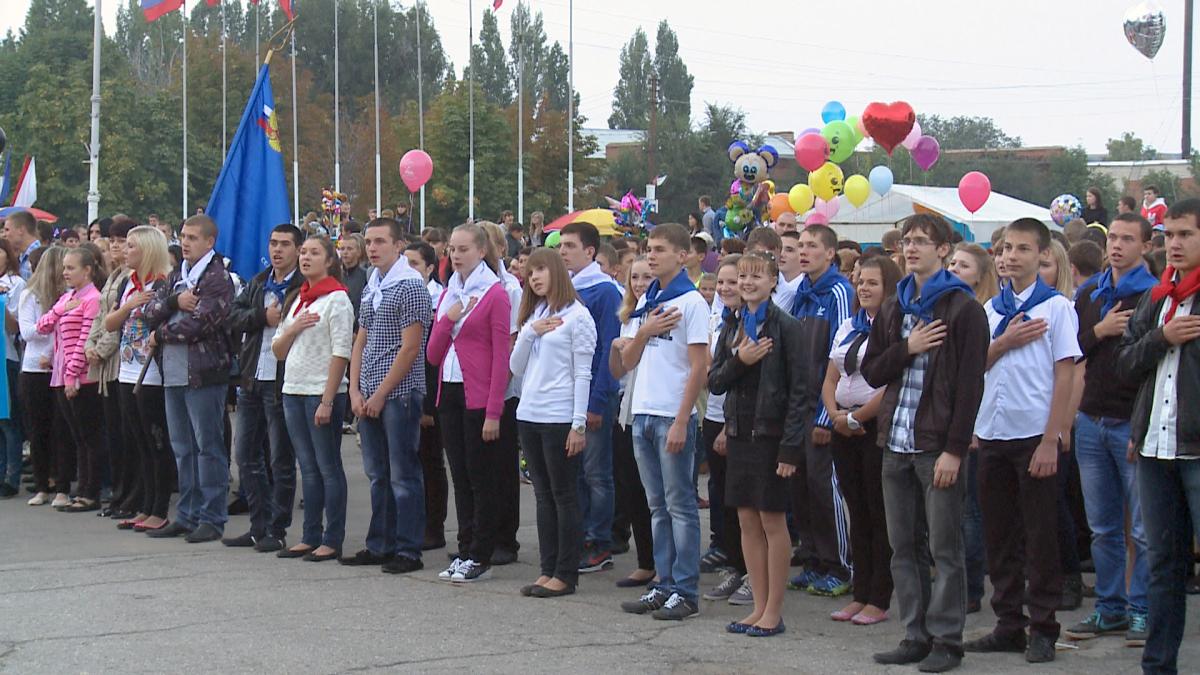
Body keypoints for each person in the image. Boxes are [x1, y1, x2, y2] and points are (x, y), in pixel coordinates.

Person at [862, 213, 990, 672]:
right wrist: (908, 348)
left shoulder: (963, 308)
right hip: (895, 440)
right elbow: (873, 370)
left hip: (937, 445)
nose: (911, 248)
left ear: (943, 251)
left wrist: (955, 449)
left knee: (944, 549)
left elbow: (970, 385)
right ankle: (914, 634)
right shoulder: (896, 305)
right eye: (906, 242)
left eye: (922, 241)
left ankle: (947, 641)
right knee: (903, 546)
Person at [965, 217, 1081, 664]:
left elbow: (1065, 372)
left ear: (1042, 256)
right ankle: (1008, 622)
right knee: (1000, 535)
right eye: (1006, 248)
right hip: (993, 433)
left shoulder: (1055, 308)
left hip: (1034, 434)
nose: (1011, 256)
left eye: (1022, 249)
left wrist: (1053, 438)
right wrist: (1005, 341)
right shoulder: (991, 310)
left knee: (1039, 535)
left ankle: (1044, 626)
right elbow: (975, 366)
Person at [1064, 212, 1156, 646]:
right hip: (1091, 417)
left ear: (1144, 244)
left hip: (1131, 421)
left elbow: (1155, 367)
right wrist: (1099, 330)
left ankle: (1142, 609)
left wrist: (1144, 426)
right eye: (1112, 238)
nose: (1116, 246)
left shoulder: (1154, 296)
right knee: (1102, 527)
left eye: (1126, 239)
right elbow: (1070, 351)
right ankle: (1110, 607)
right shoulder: (1090, 294)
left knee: (1140, 527)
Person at [1116, 198, 1200, 675]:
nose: (1174, 244)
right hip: (1155, 447)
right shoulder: (1158, 297)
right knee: (1164, 567)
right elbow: (1125, 363)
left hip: (1195, 446)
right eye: (1169, 235)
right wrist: (1163, 338)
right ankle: (1158, 666)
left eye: (1185, 234)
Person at [708, 251, 809, 637]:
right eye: (741, 277)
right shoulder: (732, 323)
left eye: (756, 277)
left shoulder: (787, 326)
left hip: (771, 436)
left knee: (772, 519)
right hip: (739, 433)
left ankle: (774, 610)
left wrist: (789, 448)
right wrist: (741, 358)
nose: (746, 283)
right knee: (746, 519)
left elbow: (800, 393)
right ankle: (757, 606)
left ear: (772, 282)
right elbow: (716, 380)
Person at [612, 222, 708, 621]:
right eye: (649, 249)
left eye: (661, 250)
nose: (651, 256)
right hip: (643, 412)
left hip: (672, 413)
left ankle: (685, 590)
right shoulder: (649, 303)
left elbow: (700, 365)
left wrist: (683, 420)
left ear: (682, 256)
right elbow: (626, 364)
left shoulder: (691, 303)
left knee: (680, 505)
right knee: (657, 506)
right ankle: (663, 582)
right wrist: (644, 331)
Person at [342, 219, 432, 573]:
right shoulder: (372, 283)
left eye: (380, 241)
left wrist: (380, 393)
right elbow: (360, 339)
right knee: (377, 473)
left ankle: (408, 548)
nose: (373, 248)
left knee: (403, 472)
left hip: (399, 392)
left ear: (399, 246)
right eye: (368, 241)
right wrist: (354, 388)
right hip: (368, 391)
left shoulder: (409, 286)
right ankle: (379, 542)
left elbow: (410, 349)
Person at [142, 214, 236, 543]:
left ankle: (212, 516)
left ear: (209, 242)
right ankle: (187, 513)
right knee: (182, 447)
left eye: (193, 237)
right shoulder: (176, 275)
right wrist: (173, 302)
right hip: (173, 372)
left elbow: (202, 323)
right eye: (183, 236)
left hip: (204, 372)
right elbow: (149, 311)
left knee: (207, 447)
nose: (185, 242)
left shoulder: (216, 276)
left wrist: (160, 334)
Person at [427, 223, 512, 584]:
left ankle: (481, 552)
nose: (456, 256)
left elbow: (500, 359)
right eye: (452, 250)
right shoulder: (449, 293)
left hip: (478, 396)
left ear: (481, 252)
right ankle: (463, 548)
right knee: (459, 475)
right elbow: (433, 354)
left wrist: (494, 412)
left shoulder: (495, 293)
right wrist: (448, 319)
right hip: (449, 389)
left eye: (463, 249)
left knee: (481, 477)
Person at [510, 248, 597, 597]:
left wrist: (578, 424)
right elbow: (516, 367)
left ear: (557, 272)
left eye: (541, 270)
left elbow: (583, 373)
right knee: (543, 496)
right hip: (529, 413)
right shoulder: (535, 315)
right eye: (530, 272)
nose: (535, 277)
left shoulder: (579, 317)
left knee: (564, 496)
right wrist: (530, 331)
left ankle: (566, 572)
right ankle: (547, 569)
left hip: (560, 416)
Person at [824, 255, 902, 626]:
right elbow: (830, 376)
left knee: (877, 512)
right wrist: (835, 413)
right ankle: (860, 592)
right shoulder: (847, 326)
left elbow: (889, 385)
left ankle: (879, 597)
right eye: (860, 282)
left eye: (872, 282)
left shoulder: (893, 327)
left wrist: (856, 418)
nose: (864, 288)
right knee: (856, 509)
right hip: (843, 423)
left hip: (872, 425)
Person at [272, 236, 355, 563]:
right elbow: (278, 350)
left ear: (330, 260)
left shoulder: (337, 299)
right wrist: (293, 328)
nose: (306, 257)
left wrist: (328, 399)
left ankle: (332, 537)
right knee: (307, 466)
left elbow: (341, 352)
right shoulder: (299, 299)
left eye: (314, 253)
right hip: (293, 388)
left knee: (328, 466)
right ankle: (310, 534)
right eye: (303, 252)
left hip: (320, 392)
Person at [222, 224, 302, 552]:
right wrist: (262, 316)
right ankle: (258, 524)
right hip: (252, 377)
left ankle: (277, 528)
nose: (277, 250)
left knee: (281, 459)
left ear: (298, 249)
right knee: (245, 454)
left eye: (284, 244)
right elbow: (233, 316)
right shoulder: (258, 282)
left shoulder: (302, 285)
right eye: (273, 243)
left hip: (282, 380)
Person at [785, 224, 854, 597]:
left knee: (825, 486)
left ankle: (839, 565)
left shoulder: (839, 291)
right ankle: (812, 559)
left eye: (813, 246)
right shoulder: (801, 292)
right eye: (801, 246)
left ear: (831, 253)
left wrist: (828, 416)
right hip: (798, 406)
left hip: (822, 407)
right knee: (801, 486)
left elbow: (841, 355)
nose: (804, 251)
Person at [558, 221, 624, 573]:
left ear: (590, 252)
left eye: (570, 246)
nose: (563, 252)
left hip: (595, 392)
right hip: (568, 392)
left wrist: (597, 402)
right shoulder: (565, 288)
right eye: (561, 246)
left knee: (597, 472)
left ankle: (600, 540)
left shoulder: (605, 291)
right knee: (578, 472)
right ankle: (581, 532)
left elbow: (606, 352)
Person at [103, 226, 175, 532]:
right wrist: (129, 306)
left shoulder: (162, 284)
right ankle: (145, 505)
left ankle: (159, 507)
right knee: (138, 442)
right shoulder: (130, 285)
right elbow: (110, 322)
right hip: (127, 369)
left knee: (155, 442)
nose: (125, 251)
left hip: (152, 374)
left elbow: (160, 319)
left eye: (131, 246)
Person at [947, 243, 1000, 615]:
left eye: (963, 265)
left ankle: (970, 586)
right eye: (952, 262)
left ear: (980, 275)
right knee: (954, 510)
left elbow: (976, 369)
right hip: (950, 420)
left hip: (979, 421)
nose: (953, 268)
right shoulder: (948, 307)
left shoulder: (984, 312)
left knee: (970, 512)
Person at [37, 246, 105, 512]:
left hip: (81, 378)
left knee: (89, 437)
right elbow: (43, 325)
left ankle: (91, 491)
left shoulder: (93, 299)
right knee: (77, 437)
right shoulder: (70, 298)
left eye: (71, 268)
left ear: (87, 271)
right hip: (61, 374)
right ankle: (83, 489)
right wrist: (61, 309)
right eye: (64, 267)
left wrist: (72, 375)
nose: (65, 272)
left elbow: (84, 340)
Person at [700, 255, 750, 604]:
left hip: (738, 420)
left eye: (733, 282)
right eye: (722, 283)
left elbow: (736, 377)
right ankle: (734, 566)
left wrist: (728, 426)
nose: (726, 288)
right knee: (722, 495)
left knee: (743, 501)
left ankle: (750, 572)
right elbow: (711, 375)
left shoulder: (753, 322)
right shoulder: (721, 320)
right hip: (714, 415)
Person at [609, 256, 657, 589]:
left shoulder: (660, 314)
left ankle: (662, 563)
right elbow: (618, 370)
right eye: (635, 277)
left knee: (657, 492)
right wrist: (616, 348)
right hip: (626, 407)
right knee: (630, 487)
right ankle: (645, 561)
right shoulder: (628, 315)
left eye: (646, 277)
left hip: (653, 406)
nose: (639, 283)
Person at [84, 219, 132, 517]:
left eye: (122, 240)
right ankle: (118, 494)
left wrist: (100, 351)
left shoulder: (129, 277)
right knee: (113, 432)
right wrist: (90, 344)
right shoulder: (114, 275)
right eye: (112, 240)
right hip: (103, 361)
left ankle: (126, 496)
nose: (115, 245)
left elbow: (117, 322)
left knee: (123, 435)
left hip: (116, 363)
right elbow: (101, 317)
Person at [404, 240, 449, 550]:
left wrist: (428, 405)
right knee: (409, 463)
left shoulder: (436, 300)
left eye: (415, 265)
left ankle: (433, 526)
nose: (408, 271)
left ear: (431, 268)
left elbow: (431, 359)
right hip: (401, 389)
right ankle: (412, 521)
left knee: (430, 463)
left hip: (428, 393)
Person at [19, 247, 63, 506]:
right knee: (39, 430)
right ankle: (41, 483)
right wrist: (53, 316)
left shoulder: (69, 296)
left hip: (59, 366)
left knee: (61, 429)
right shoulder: (30, 295)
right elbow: (28, 332)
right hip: (35, 368)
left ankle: (61, 483)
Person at [0, 241, 26, 497]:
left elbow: (15, 327)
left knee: (8, 420)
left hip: (5, 355)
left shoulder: (15, 284)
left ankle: (11, 476)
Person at [338, 233, 369, 320]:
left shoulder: (366, 276)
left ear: (359, 252)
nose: (345, 252)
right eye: (342, 249)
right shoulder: (335, 276)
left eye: (350, 249)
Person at [3, 210, 41, 279]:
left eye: (7, 230)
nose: (4, 235)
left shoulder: (41, 257)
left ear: (21, 230)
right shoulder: (21, 256)